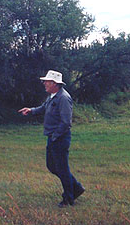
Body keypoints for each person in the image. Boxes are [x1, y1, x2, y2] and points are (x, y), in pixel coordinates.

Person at [19, 70, 85, 208]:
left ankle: (68, 197)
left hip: (60, 138)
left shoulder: (63, 98)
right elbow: (44, 108)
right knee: (53, 166)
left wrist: (55, 136)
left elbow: (66, 122)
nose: (44, 83)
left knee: (61, 168)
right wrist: (30, 110)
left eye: (47, 81)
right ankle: (76, 188)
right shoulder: (52, 96)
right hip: (53, 137)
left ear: (55, 83)